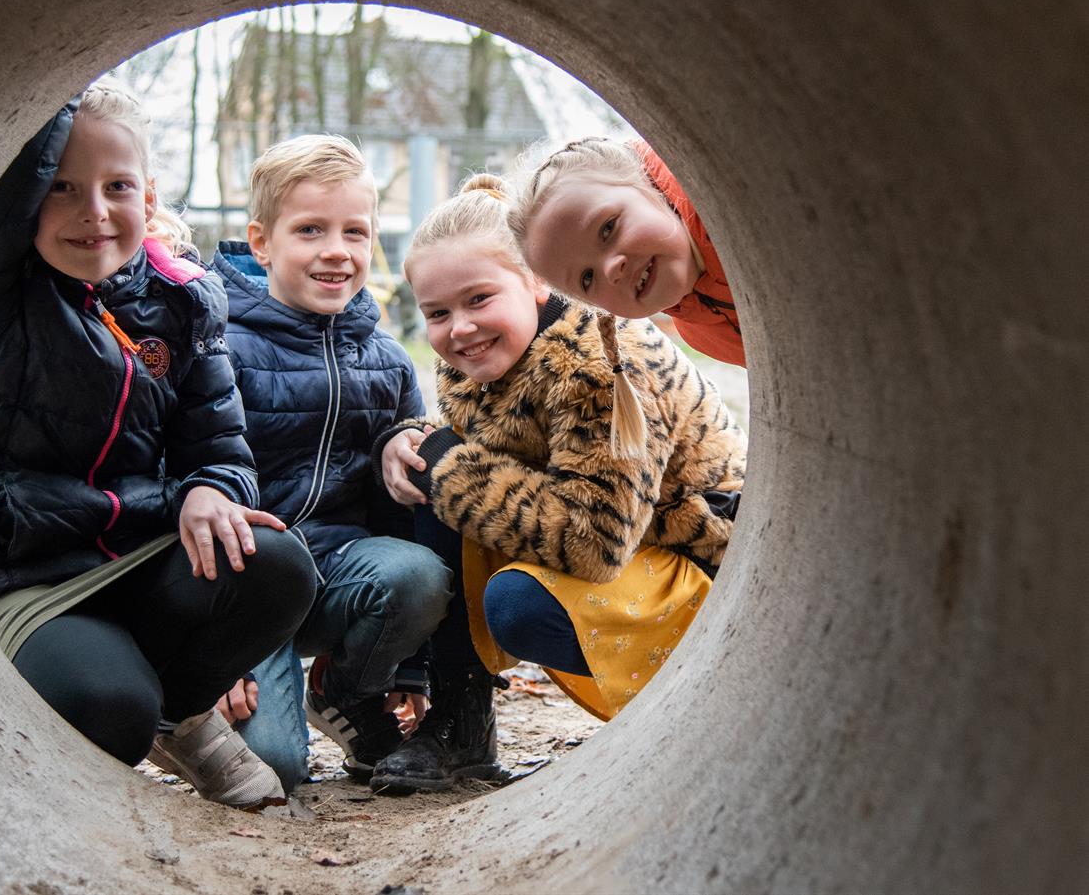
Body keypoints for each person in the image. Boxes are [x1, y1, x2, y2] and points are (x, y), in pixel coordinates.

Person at [0, 79, 316, 809]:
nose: (94, 213)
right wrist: (60, 64)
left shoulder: (182, 298)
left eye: (117, 186)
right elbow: (8, 178)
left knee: (276, 564)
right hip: (25, 570)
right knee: (111, 709)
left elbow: (221, 446)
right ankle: (142, 704)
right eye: (62, 188)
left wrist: (212, 489)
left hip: (134, 554)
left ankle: (184, 715)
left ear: (150, 194)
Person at [369, 174, 746, 794]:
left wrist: (448, 466)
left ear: (536, 281)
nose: (459, 329)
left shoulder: (596, 365)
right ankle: (462, 725)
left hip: (699, 557)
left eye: (479, 299)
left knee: (517, 602)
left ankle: (693, 710)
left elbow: (596, 543)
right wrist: (409, 441)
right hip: (627, 540)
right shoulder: (486, 352)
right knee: (427, 473)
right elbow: (487, 448)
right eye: (438, 313)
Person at [209, 134, 451, 791]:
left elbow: (402, 515)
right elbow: (187, 491)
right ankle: (188, 698)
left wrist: (409, 669)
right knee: (277, 768)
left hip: (340, 572)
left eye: (355, 231)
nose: (336, 251)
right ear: (261, 243)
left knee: (421, 573)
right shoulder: (222, 346)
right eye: (310, 229)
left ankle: (345, 693)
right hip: (245, 592)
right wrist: (209, 652)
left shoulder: (387, 359)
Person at [508, 137, 745, 366]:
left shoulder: (738, 192)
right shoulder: (701, 334)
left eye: (608, 228)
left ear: (647, 185)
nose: (611, 269)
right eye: (587, 278)